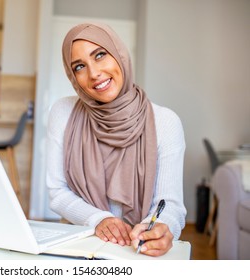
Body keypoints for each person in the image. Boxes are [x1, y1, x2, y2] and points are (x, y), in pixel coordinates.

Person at [46, 22, 186, 257]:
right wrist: (98, 219)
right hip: (79, 247)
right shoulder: (63, 113)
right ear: (73, 76)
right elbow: (57, 191)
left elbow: (170, 205)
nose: (93, 73)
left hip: (136, 252)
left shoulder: (165, 122)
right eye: (79, 66)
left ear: (119, 54)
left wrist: (164, 227)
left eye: (100, 55)